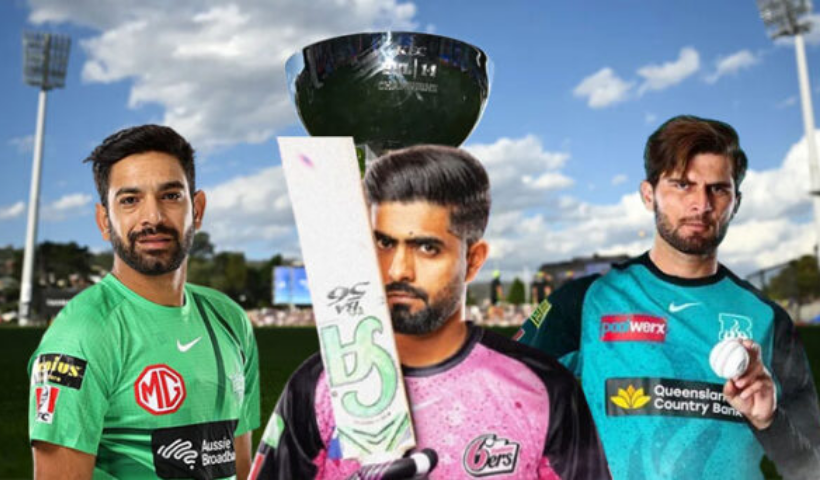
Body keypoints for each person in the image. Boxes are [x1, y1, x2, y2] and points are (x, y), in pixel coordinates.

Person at [250, 145, 610, 479]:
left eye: (426, 248)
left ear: (473, 260)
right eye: (383, 243)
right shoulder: (315, 385)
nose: (398, 270)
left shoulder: (543, 387)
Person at [516, 115, 820, 479]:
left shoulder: (767, 319)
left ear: (736, 202)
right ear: (649, 195)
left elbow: (812, 468)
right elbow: (499, 401)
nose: (701, 204)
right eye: (682, 185)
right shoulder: (586, 300)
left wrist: (769, 422)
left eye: (718, 189)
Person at [28, 125, 260, 479]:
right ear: (105, 221)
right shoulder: (82, 334)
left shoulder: (231, 319)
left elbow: (241, 466)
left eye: (170, 195)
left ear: (197, 209)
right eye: (130, 200)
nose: (153, 217)